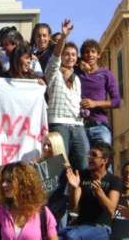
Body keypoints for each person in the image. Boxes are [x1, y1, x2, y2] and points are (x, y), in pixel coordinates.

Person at [45, 19, 89, 172]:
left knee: (84, 165)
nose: (70, 57)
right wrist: (63, 37)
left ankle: (82, 195)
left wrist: (83, 109)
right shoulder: (53, 73)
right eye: (67, 54)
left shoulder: (77, 78)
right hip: (58, 124)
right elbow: (55, 57)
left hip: (78, 125)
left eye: (73, 55)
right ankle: (57, 197)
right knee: (57, 167)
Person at [59, 142, 121, 240]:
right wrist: (74, 188)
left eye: (94, 155)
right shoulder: (83, 175)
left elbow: (111, 210)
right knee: (55, 236)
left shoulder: (114, 180)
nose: (89, 158)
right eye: (89, 154)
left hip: (101, 227)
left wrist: (99, 192)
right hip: (80, 225)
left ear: (104, 160)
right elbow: (72, 206)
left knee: (71, 236)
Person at [75, 39, 121, 146]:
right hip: (79, 125)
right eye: (86, 52)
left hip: (100, 125)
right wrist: (79, 62)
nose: (90, 55)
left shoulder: (106, 74)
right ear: (82, 55)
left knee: (103, 158)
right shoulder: (77, 72)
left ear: (98, 55)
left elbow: (117, 101)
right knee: (84, 161)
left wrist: (95, 103)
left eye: (93, 52)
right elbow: (64, 59)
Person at [38, 132, 70, 229]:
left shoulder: (65, 167)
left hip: (59, 209)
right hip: (41, 209)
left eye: (49, 145)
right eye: (44, 145)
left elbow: (67, 192)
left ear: (57, 146)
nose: (46, 148)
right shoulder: (37, 164)